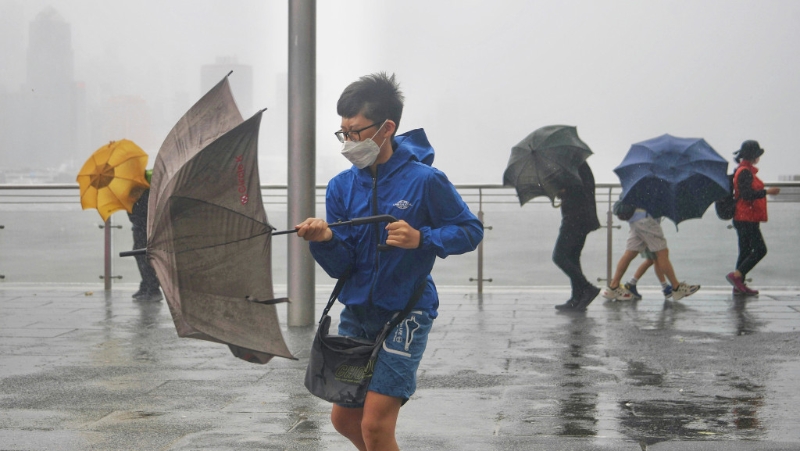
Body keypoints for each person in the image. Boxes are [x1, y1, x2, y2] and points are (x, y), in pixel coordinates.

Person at [295, 72, 483, 451]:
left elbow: (470, 231)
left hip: (406, 313)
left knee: (376, 424)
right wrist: (325, 239)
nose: (348, 142)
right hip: (357, 315)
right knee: (344, 418)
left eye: (356, 132)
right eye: (343, 132)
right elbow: (340, 266)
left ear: (387, 128)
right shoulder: (340, 187)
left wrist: (421, 238)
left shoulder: (426, 181)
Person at [602, 204, 700, 302]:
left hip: (635, 219)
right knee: (662, 252)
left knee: (630, 253)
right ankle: (676, 287)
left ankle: (613, 287)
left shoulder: (635, 190)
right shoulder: (653, 189)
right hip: (646, 219)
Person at [725, 140, 779, 295]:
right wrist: (767, 192)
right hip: (745, 217)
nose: (759, 158)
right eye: (757, 155)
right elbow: (747, 195)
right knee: (761, 249)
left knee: (745, 251)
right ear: (753, 155)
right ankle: (736, 277)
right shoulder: (745, 172)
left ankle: (739, 286)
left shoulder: (743, 170)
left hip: (745, 217)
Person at [553, 162, 602, 311]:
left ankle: (587, 288)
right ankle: (577, 298)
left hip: (575, 219)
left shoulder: (572, 167)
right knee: (573, 257)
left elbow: (575, 190)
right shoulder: (578, 164)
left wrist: (561, 190)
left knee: (559, 256)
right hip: (582, 218)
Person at [128, 169, 162, 302]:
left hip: (143, 225)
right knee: (140, 254)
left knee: (143, 255)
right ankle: (147, 285)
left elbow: (139, 210)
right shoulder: (139, 182)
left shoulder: (136, 186)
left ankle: (153, 289)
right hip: (142, 225)